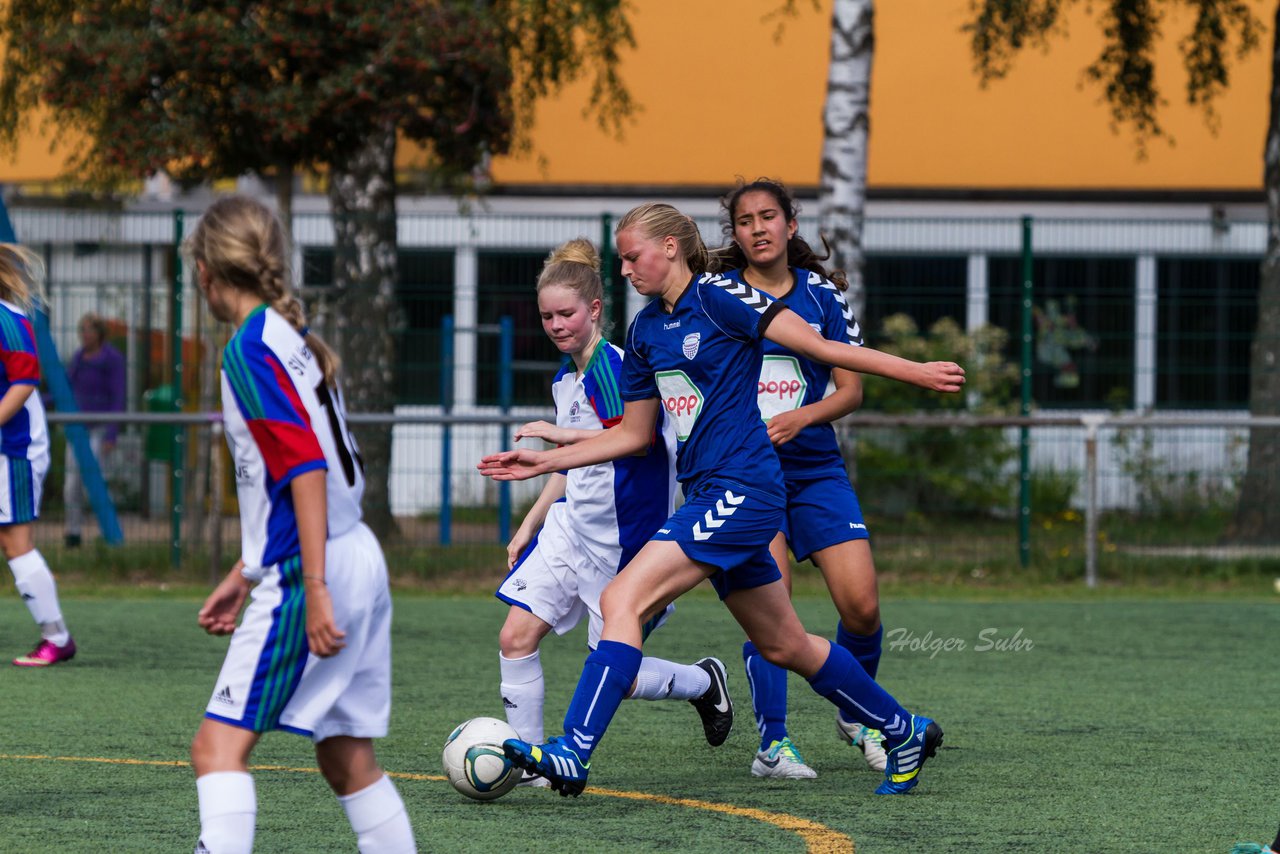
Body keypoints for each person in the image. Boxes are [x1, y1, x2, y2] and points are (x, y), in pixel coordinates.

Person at [479, 202, 964, 798]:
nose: (626, 268)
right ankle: (902, 727)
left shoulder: (720, 296)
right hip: (707, 493)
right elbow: (631, 436)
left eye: (633, 255)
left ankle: (574, 751)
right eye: (623, 258)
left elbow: (821, 348)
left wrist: (914, 371)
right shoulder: (644, 331)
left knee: (622, 596)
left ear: (671, 248)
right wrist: (547, 460)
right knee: (784, 643)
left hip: (746, 488)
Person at [185, 195, 415, 854]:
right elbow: (297, 478)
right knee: (346, 757)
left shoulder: (250, 347)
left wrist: (311, 586)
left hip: (313, 569)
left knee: (216, 748)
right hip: (357, 556)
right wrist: (242, 571)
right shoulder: (294, 339)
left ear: (205, 269)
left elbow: (306, 468)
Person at [495, 238, 734, 785]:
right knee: (515, 637)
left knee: (618, 676)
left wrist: (554, 440)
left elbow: (635, 441)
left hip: (624, 547)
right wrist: (530, 524)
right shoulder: (566, 378)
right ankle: (530, 762)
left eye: (566, 314)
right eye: (547, 316)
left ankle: (703, 681)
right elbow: (576, 463)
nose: (556, 325)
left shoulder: (614, 369)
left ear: (595, 310)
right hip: (570, 532)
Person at [709, 178, 887, 779]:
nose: (757, 229)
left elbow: (852, 390)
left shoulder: (824, 296)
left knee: (861, 606)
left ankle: (855, 711)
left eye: (767, 216)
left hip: (814, 469)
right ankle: (774, 745)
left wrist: (802, 417)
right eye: (744, 221)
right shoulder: (718, 295)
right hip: (746, 475)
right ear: (733, 233)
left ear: (790, 222)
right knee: (773, 605)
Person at [0, 245, 76, 667]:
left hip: (13, 449)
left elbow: (25, 380)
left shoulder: (7, 319)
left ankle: (56, 636)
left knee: (17, 544)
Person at [62, 311, 126, 548]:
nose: (85, 335)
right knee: (71, 484)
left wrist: (112, 432)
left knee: (97, 482)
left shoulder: (112, 358)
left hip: (99, 428)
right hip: (77, 430)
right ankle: (73, 532)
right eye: (82, 330)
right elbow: (67, 387)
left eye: (89, 330)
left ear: (99, 333)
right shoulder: (79, 357)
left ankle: (108, 532)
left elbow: (119, 396)